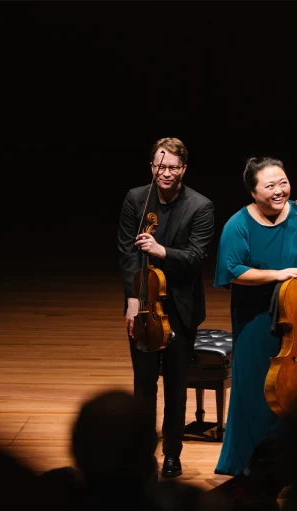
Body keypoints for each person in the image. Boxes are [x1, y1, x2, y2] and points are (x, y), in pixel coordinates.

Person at [213, 157, 297, 477]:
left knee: (295, 393)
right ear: (253, 193)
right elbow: (233, 271)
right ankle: (252, 464)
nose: (280, 190)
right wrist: (278, 274)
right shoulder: (238, 224)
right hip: (256, 319)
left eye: (283, 182)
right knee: (257, 392)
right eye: (269, 186)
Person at [117, 137, 215, 479]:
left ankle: (172, 453)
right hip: (144, 305)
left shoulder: (201, 206)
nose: (166, 172)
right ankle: (140, 450)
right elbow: (128, 252)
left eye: (174, 167)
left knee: (175, 385)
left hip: (180, 308)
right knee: (143, 382)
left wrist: (161, 251)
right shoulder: (135, 198)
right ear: (152, 167)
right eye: (161, 166)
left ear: (184, 169)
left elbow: (195, 258)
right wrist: (132, 299)